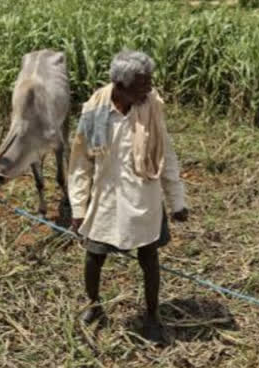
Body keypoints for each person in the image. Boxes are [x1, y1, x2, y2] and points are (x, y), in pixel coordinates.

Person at [68, 50, 188, 343]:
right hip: (106, 199)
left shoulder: (150, 109)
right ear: (120, 85)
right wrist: (78, 206)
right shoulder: (96, 112)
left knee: (149, 257)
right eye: (142, 84)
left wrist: (178, 201)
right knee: (94, 256)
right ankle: (94, 306)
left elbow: (166, 155)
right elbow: (81, 163)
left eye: (149, 82)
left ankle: (151, 314)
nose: (149, 89)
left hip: (143, 198)